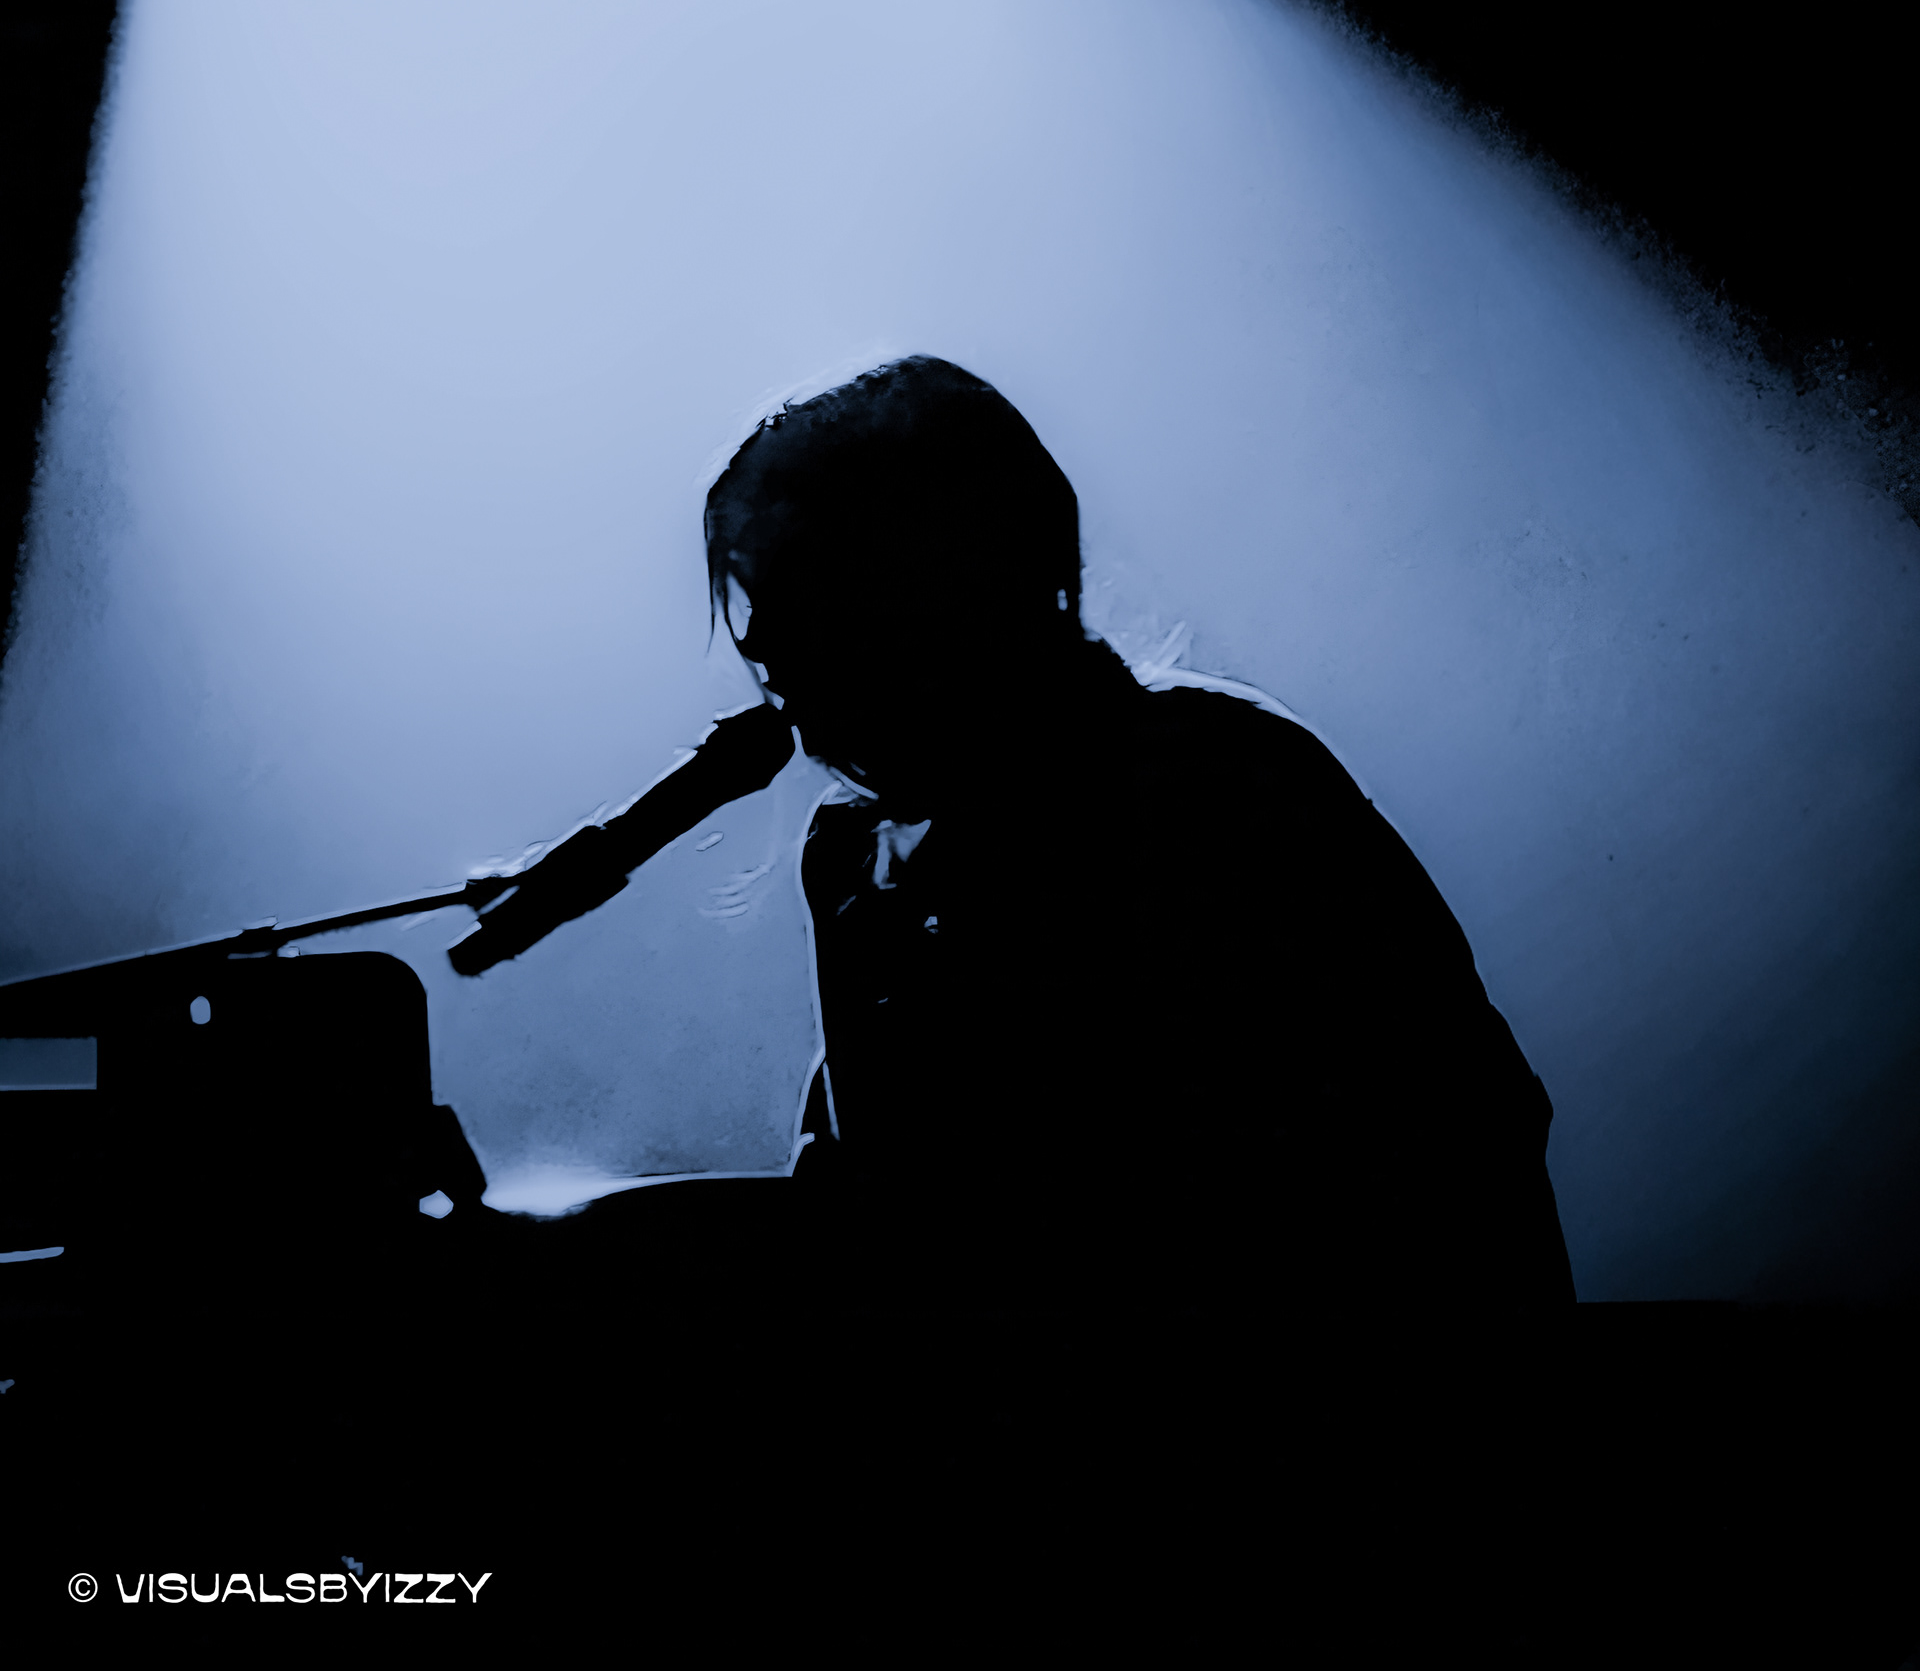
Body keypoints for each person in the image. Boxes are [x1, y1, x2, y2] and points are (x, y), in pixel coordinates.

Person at [448, 355, 1575, 1319]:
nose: (767, 647)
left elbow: (1435, 1158)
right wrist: (533, 1252)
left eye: (802, 594)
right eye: (758, 606)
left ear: (947, 580)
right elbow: (860, 1223)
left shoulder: (1213, 787)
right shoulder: (861, 862)